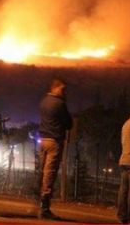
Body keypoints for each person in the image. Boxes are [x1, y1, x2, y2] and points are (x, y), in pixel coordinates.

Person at [37, 78, 73, 219]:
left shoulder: (43, 101)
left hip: (42, 139)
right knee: (50, 173)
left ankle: (39, 199)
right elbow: (68, 123)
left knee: (42, 170)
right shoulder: (60, 103)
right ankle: (45, 207)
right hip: (54, 140)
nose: (64, 92)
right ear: (56, 88)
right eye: (63, 89)